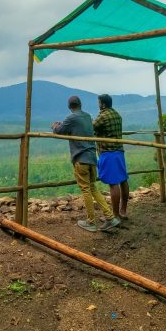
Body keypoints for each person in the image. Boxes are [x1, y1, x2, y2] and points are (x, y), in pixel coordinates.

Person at [52, 95, 120, 232]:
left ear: (70, 106)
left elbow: (59, 131)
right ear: (80, 104)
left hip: (80, 159)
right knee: (93, 187)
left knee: (86, 190)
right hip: (92, 158)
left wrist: (54, 126)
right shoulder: (88, 116)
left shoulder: (71, 118)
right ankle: (110, 217)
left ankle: (90, 221)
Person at [93, 93, 130, 219]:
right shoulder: (117, 114)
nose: (98, 105)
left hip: (108, 152)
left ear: (102, 104)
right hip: (119, 151)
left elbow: (91, 128)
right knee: (123, 180)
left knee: (113, 184)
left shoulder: (103, 116)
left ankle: (114, 215)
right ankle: (123, 210)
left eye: (98, 102)